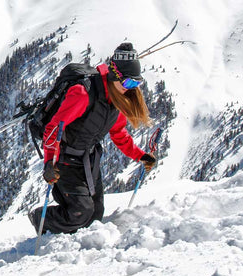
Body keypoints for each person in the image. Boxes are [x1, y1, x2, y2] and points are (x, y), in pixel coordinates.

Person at [30, 42, 158, 234]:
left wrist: (140, 156)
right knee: (80, 212)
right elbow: (53, 129)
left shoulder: (116, 99)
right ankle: (41, 219)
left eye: (136, 83)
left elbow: (118, 133)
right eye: (128, 83)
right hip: (65, 159)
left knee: (95, 215)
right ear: (115, 75)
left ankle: (75, 249)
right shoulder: (82, 94)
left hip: (89, 159)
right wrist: (49, 162)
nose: (130, 88)